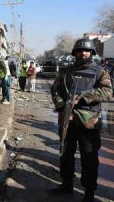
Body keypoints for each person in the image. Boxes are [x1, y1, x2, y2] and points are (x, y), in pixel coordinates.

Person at [50, 38, 112, 202]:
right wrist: (62, 105)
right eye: (79, 50)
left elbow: (107, 92)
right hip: (67, 120)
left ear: (91, 53)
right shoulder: (66, 71)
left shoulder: (100, 72)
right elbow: (55, 89)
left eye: (86, 51)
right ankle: (66, 184)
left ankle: (89, 192)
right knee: (65, 154)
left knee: (89, 158)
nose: (83, 53)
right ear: (75, 53)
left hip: (89, 121)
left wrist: (84, 98)